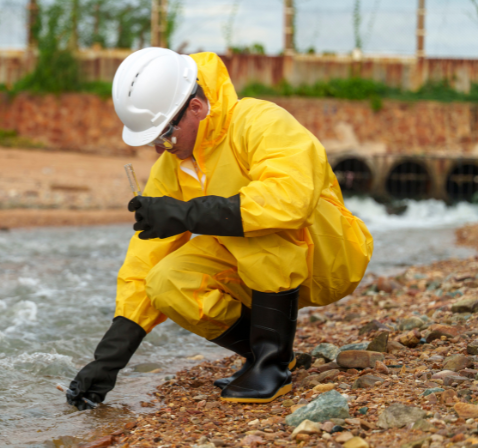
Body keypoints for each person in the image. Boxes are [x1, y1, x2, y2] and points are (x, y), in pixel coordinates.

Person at [66, 48, 373, 407]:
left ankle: (272, 365)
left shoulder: (260, 121)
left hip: (330, 258)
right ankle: (266, 353)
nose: (159, 150)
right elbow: (144, 258)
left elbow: (288, 202)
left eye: (164, 136)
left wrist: (187, 213)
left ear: (195, 108)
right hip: (264, 271)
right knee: (165, 281)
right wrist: (110, 357)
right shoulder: (174, 165)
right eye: (153, 142)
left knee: (255, 226)